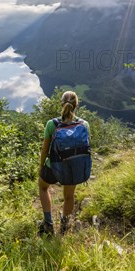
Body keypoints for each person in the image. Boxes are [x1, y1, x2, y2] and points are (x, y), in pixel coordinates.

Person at [38, 91, 90, 236]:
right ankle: (64, 225)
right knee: (69, 196)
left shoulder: (52, 124)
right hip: (73, 167)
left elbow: (44, 149)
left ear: (61, 104)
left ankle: (48, 223)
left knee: (43, 187)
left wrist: (41, 166)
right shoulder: (84, 124)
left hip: (53, 166)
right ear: (76, 106)